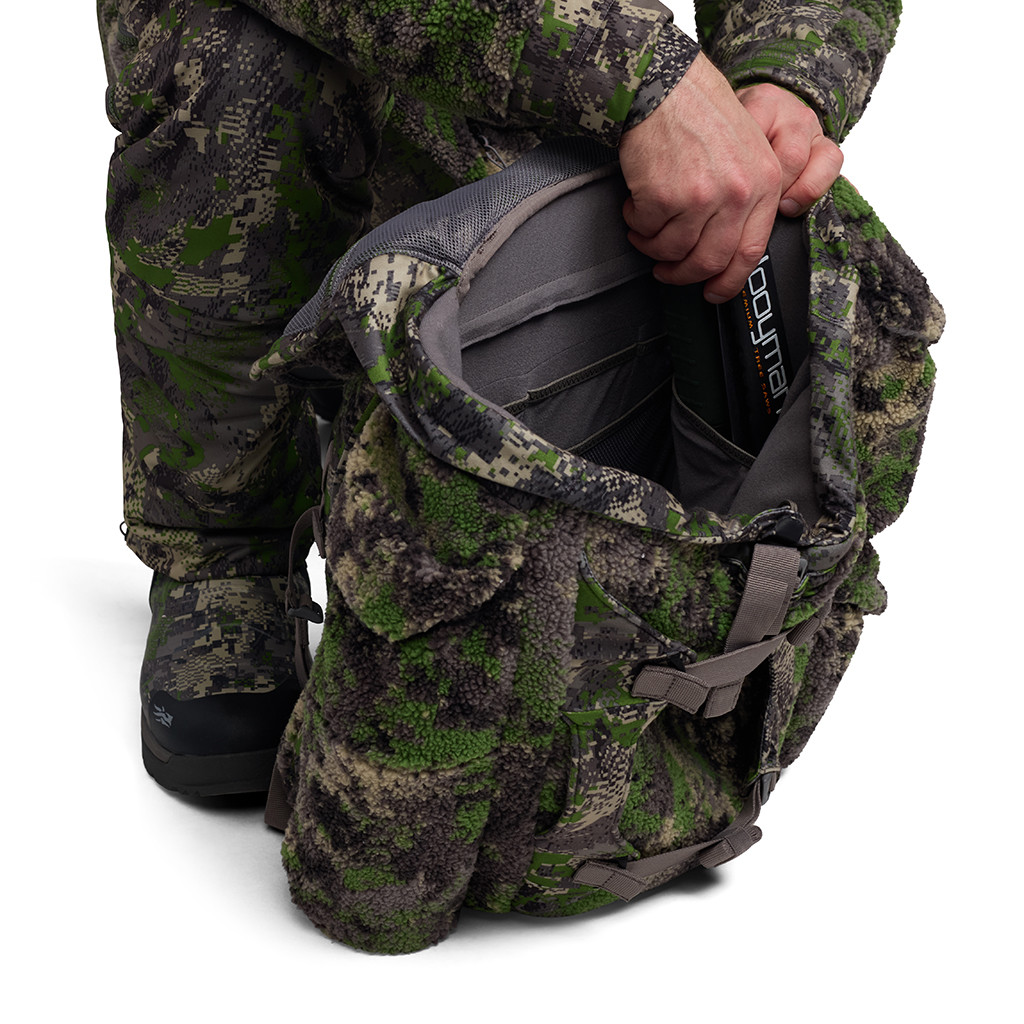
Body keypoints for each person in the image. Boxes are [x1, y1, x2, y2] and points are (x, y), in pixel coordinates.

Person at [97, 0, 898, 796]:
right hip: (438, 52)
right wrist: (644, 74)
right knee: (229, 58)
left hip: (527, 101)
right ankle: (229, 544)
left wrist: (782, 77)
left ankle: (470, 487)